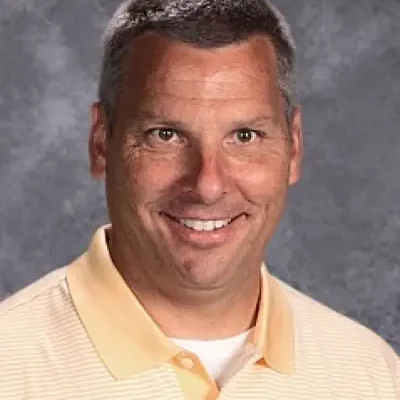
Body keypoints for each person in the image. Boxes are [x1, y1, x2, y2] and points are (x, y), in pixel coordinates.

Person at [0, 0, 398, 398]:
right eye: (165, 135)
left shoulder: (373, 376)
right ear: (101, 141)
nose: (207, 185)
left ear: (293, 147)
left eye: (244, 136)